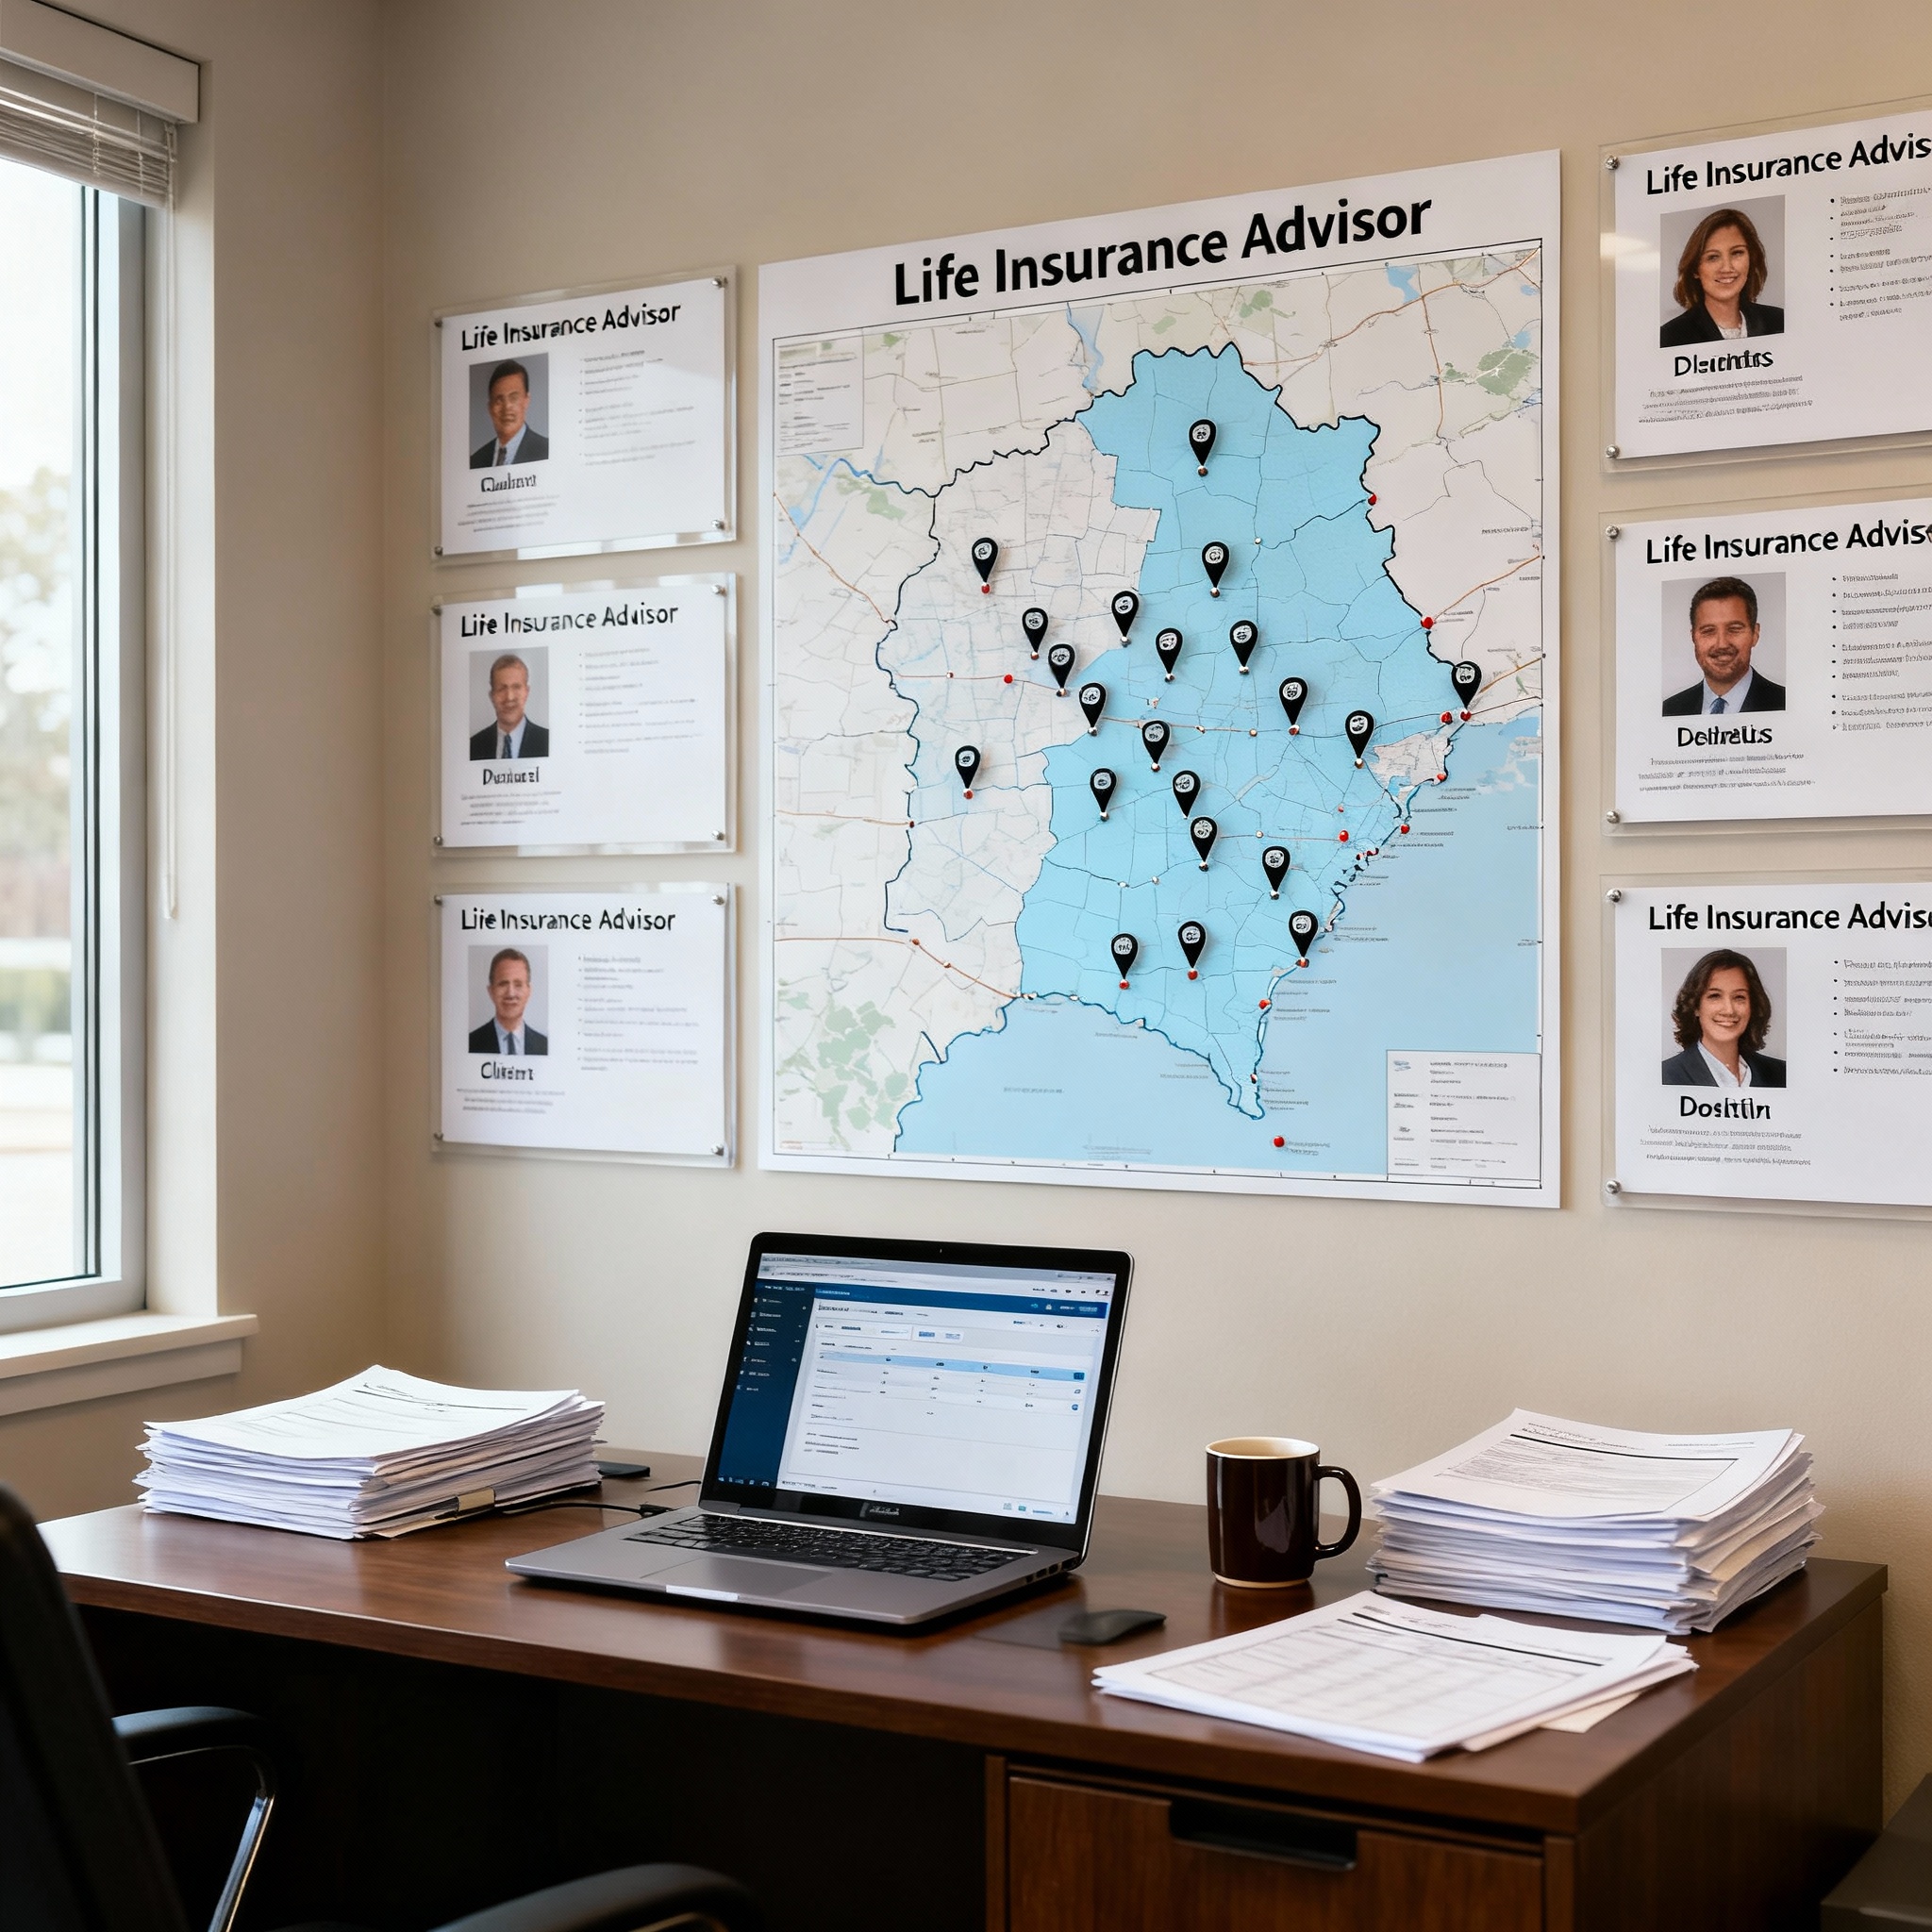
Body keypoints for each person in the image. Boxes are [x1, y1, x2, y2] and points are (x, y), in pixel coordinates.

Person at [1659, 208, 1785, 347]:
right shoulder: (1670, 337)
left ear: (1751, 259)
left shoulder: (1779, 321)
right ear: (1695, 269)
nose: (1726, 268)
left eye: (1737, 253)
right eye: (1713, 257)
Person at [1661, 576, 1785, 716]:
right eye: (1708, 631)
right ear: (1693, 637)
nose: (1722, 644)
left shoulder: (1785, 703)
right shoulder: (1669, 709)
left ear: (1755, 634)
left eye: (1734, 629)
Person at [1661, 949, 1785, 1088]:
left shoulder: (1780, 1073)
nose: (1729, 1010)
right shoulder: (1666, 1076)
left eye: (1739, 997)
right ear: (1695, 1006)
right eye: (1715, 996)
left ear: (1752, 1006)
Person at [469, 359, 550, 468]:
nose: (507, 407)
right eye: (499, 400)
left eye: (514, 398)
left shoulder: (547, 450)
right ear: (490, 408)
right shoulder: (475, 461)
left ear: (526, 400)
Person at [469, 653, 550, 759]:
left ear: (527, 692)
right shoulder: (474, 746)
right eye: (502, 689)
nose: (509, 697)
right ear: (492, 695)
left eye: (516, 687)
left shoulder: (547, 741)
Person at [468, 948, 548, 1056]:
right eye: (503, 984)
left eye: (518, 984)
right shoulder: (471, 1043)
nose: (511, 993)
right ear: (491, 991)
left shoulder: (543, 1045)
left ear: (529, 991)